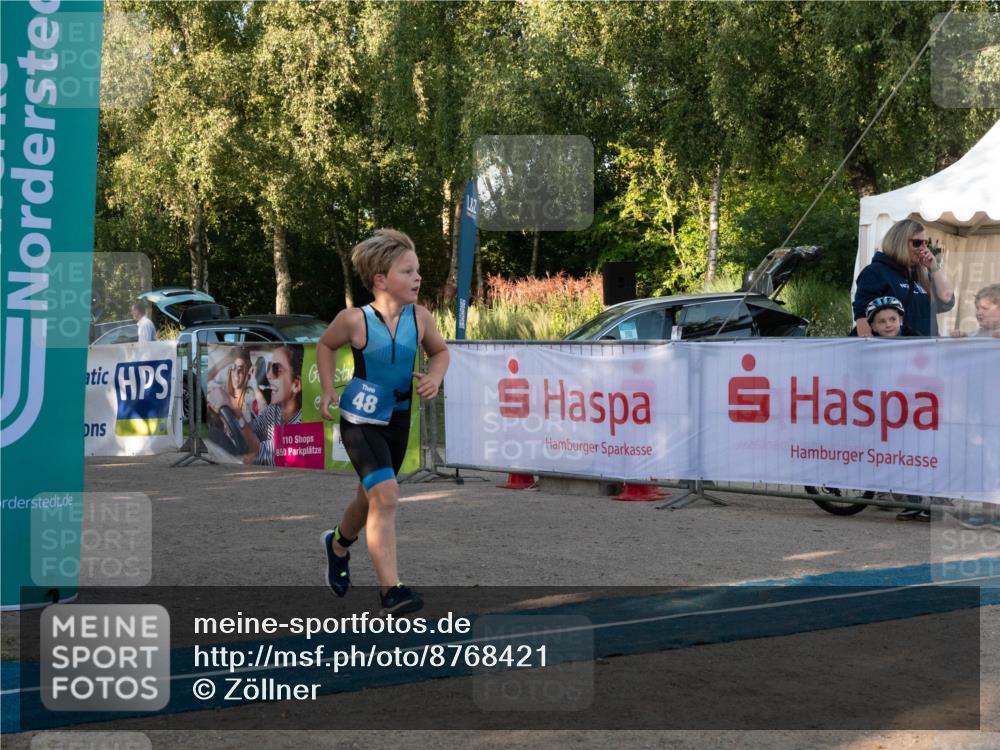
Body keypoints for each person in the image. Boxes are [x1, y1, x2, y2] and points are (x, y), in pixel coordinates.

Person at [316, 228, 449, 615]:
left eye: (417, 270)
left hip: (399, 418)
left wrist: (435, 378)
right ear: (380, 280)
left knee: (370, 495)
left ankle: (338, 544)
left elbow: (439, 353)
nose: (417, 278)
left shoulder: (421, 318)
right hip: (359, 418)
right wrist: (327, 390)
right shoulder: (355, 319)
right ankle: (391, 592)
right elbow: (325, 345)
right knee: (387, 495)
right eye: (408, 271)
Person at [852, 219, 955, 337]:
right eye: (917, 243)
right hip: (895, 350)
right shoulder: (876, 272)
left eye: (926, 243)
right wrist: (870, 349)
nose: (923, 248)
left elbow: (947, 301)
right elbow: (862, 314)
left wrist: (934, 267)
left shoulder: (921, 273)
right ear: (899, 243)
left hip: (926, 349)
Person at [212, 344, 303, 465]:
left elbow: (259, 454)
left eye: (276, 369)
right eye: (269, 368)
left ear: (296, 385)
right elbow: (253, 430)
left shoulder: (303, 424)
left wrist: (236, 413)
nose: (269, 375)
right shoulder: (275, 410)